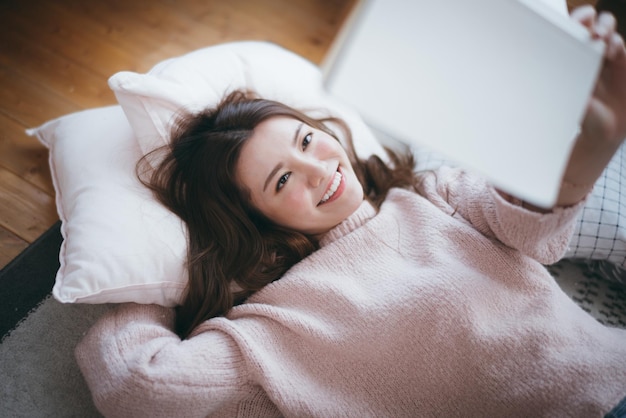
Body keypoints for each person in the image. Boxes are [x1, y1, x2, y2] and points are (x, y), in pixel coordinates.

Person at [76, 6, 626, 417]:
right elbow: (141, 387)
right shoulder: (276, 321)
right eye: (283, 179)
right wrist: (150, 287)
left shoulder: (436, 197)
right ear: (256, 221)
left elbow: (531, 221)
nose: (319, 168)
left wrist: (588, 150)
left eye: (307, 140)